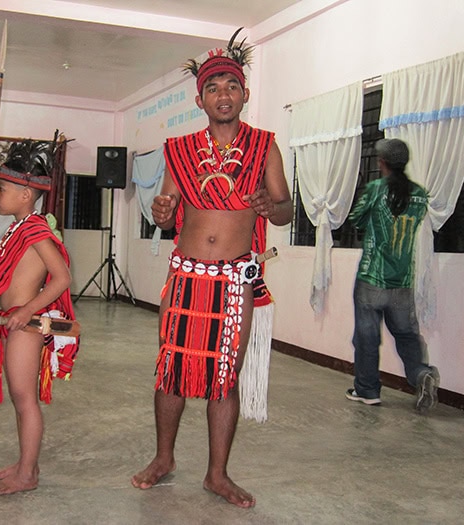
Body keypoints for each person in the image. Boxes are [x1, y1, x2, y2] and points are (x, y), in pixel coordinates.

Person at [131, 29, 293, 508]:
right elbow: (166, 204)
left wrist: (271, 206)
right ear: (199, 98)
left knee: (226, 372)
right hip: (186, 274)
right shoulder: (179, 150)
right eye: (214, 88)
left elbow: (285, 209)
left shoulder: (265, 146)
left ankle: (217, 474)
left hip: (235, 276)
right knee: (171, 369)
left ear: (244, 93)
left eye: (232, 86)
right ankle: (164, 458)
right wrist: (161, 213)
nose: (224, 95)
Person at [0, 139, 79, 495]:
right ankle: (23, 462)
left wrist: (27, 310)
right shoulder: (19, 228)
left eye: (1, 189)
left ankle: (28, 473)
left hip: (26, 326)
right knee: (20, 399)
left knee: (24, 399)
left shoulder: (35, 230)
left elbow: (62, 277)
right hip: (13, 322)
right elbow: (13, 266)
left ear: (25, 195)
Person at [346, 138, 439, 412]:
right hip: (402, 282)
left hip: (371, 279)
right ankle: (421, 374)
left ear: (382, 163)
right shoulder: (421, 194)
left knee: (366, 337)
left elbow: (356, 219)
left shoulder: (376, 189)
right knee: (408, 336)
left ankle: (367, 390)